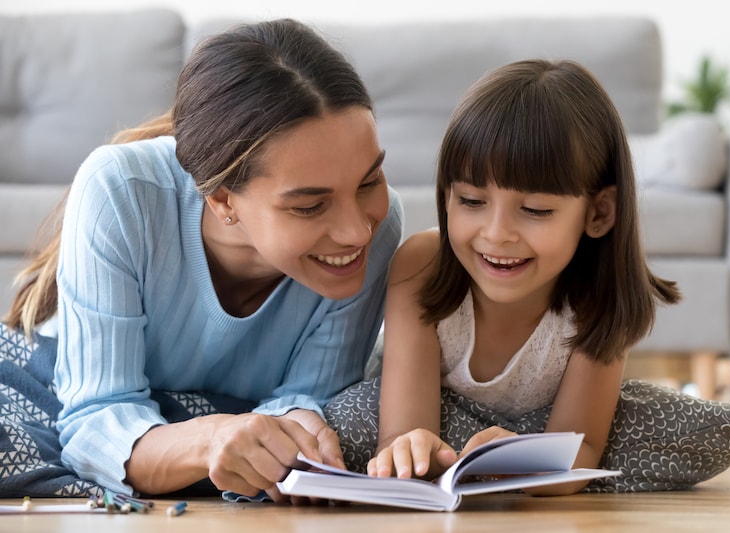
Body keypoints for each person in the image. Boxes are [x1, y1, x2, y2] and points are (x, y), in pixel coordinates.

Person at [3, 19, 402, 500]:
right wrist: (212, 437)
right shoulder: (121, 191)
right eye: (309, 206)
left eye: (368, 183)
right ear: (223, 201)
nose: (358, 229)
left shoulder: (381, 229)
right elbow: (95, 420)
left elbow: (312, 396)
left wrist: (298, 427)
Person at [366, 59, 680, 495]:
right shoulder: (421, 266)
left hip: (530, 431)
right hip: (387, 383)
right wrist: (413, 447)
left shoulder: (597, 301)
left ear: (598, 213)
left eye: (535, 210)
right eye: (472, 201)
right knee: (352, 414)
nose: (496, 234)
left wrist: (522, 458)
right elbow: (403, 434)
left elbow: (583, 446)